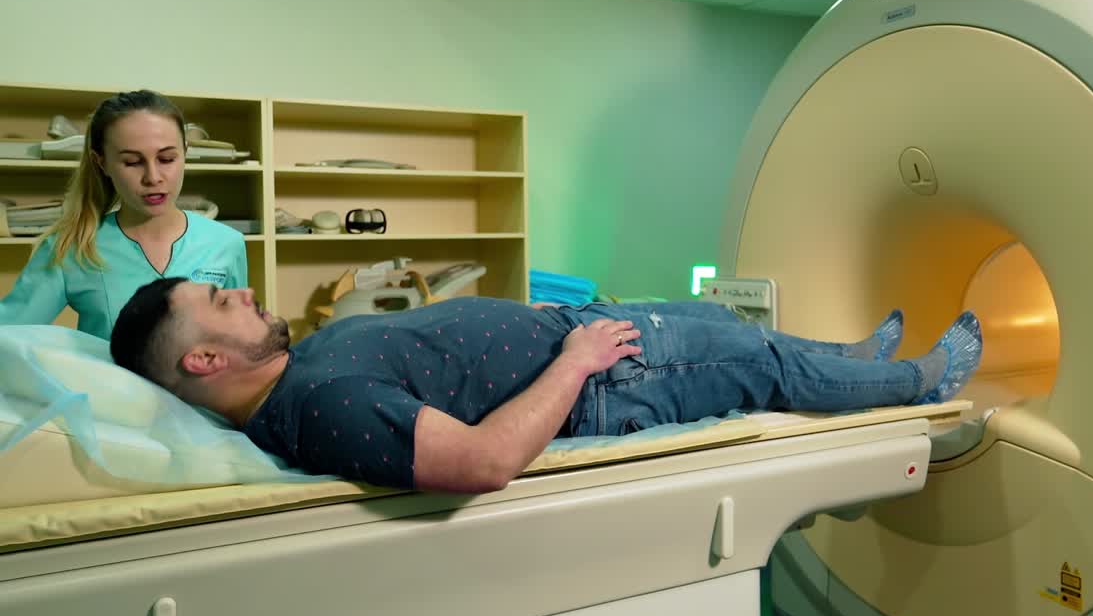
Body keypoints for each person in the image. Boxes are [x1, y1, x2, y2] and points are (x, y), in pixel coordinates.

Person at [110, 280, 983, 494]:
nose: (245, 294)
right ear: (202, 363)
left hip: (583, 334)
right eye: (222, 303)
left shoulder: (293, 379)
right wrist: (577, 360)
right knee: (760, 367)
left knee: (739, 330)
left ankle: (857, 357)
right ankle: (915, 382)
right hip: (604, 378)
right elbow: (483, 461)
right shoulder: (319, 410)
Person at [0, 90, 247, 339]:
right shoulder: (71, 248)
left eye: (167, 158)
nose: (153, 177)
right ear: (102, 163)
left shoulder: (226, 244)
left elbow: (239, 339)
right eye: (132, 162)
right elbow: (7, 337)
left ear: (185, 153)